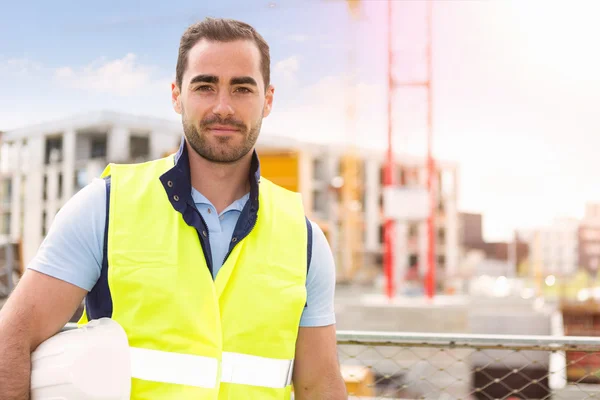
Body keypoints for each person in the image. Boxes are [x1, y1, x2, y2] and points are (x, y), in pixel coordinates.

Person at [0, 18, 347, 399]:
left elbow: (320, 385)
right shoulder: (105, 207)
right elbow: (11, 337)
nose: (223, 107)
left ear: (267, 100)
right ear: (176, 95)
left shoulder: (305, 238)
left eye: (242, 88)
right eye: (205, 86)